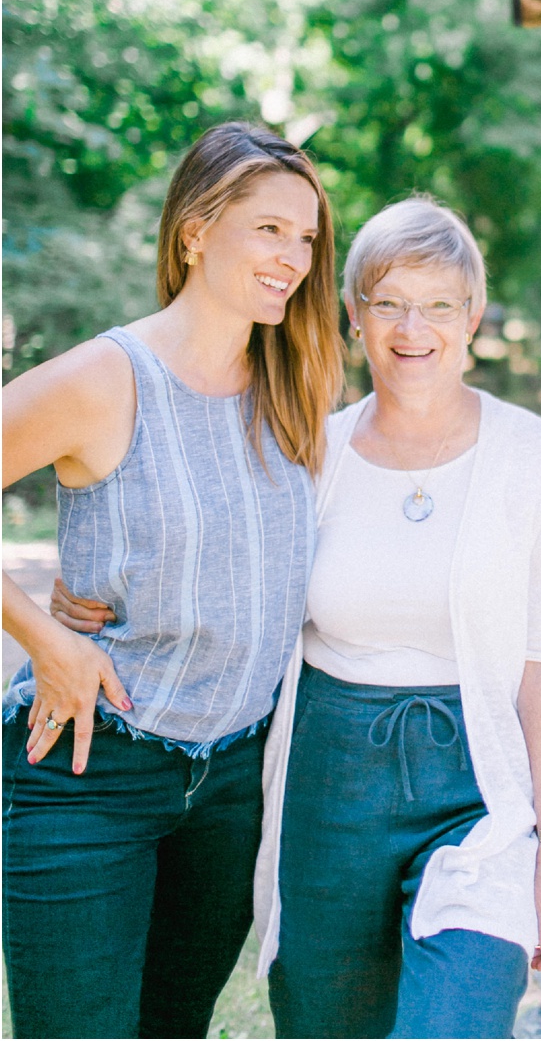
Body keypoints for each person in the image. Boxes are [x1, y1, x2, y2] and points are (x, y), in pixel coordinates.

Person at [51, 196, 541, 1036]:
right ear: (354, 317)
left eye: (440, 304)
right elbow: (225, 569)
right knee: (322, 1018)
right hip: (328, 781)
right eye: (389, 302)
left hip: (476, 783)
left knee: (459, 1015)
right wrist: (80, 603)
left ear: (473, 317)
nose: (415, 328)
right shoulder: (309, 451)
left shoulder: (533, 456)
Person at [1, 122, 341, 1038]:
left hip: (230, 787)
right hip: (89, 772)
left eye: (306, 238)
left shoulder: (293, 386)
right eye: (270, 229)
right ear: (196, 230)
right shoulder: (109, 379)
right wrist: (49, 638)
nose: (294, 258)